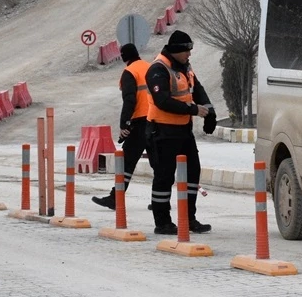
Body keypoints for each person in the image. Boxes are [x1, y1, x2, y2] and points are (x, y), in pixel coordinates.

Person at [144, 30, 217, 234]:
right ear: (176, 50)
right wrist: (193, 109)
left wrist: (210, 112)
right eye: (187, 50)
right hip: (162, 131)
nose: (190, 54)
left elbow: (197, 88)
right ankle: (162, 222)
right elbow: (162, 101)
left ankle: (188, 217)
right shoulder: (158, 70)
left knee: (193, 173)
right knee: (164, 177)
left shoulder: (185, 67)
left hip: (183, 131)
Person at [92, 42, 150, 210]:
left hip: (140, 123)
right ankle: (160, 202)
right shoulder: (149, 67)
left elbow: (130, 100)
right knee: (159, 164)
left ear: (125, 57)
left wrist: (124, 124)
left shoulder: (129, 72)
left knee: (126, 162)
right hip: (157, 121)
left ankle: (114, 199)